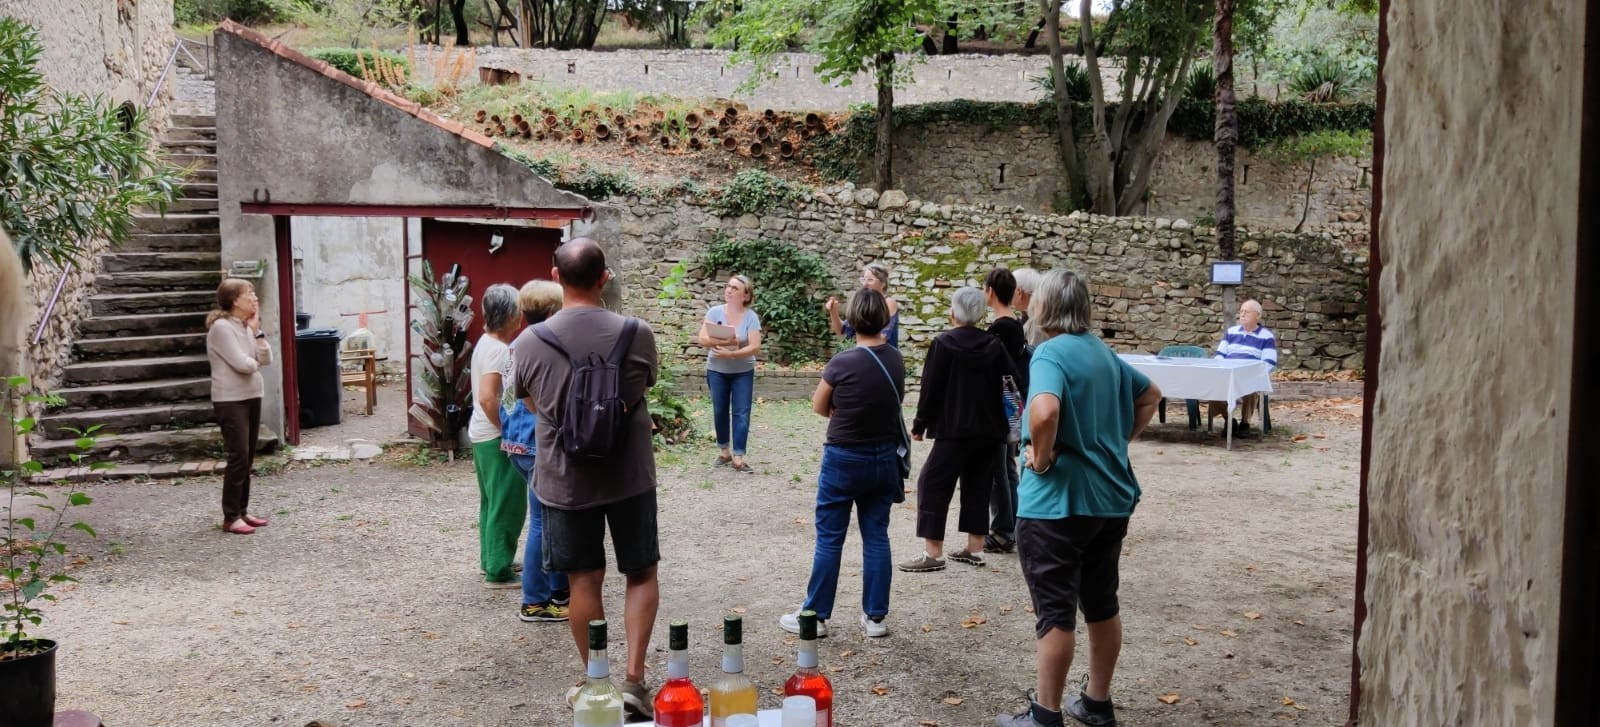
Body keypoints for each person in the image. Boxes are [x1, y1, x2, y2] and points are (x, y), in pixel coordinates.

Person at [997, 270, 1162, 727]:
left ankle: (1045, 715)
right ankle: (1096, 702)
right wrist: (1115, 442)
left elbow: (1045, 410)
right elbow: (1150, 394)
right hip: (1110, 500)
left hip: (1057, 505)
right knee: (1102, 602)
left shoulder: (1049, 353)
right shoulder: (1102, 353)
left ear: (1044, 308)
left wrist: (1043, 459)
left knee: (1055, 613)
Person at [511, 238, 660, 720]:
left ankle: (598, 680)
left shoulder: (529, 342)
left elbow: (530, 403)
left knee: (582, 580)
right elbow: (640, 389)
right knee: (640, 572)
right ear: (605, 277)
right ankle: (636, 682)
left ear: (556, 277)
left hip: (564, 478)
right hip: (629, 474)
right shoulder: (637, 333)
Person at [778, 288, 902, 640]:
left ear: (853, 319)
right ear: (883, 318)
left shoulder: (842, 362)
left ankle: (815, 616)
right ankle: (875, 617)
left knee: (830, 538)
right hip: (883, 456)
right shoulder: (895, 359)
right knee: (876, 535)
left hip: (845, 457)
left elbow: (819, 406)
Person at [901, 287, 1016, 573]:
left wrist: (919, 425)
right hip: (989, 431)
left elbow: (931, 388)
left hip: (953, 429)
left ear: (953, 312)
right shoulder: (994, 344)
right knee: (978, 485)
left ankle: (933, 553)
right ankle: (975, 549)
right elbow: (1013, 380)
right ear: (980, 314)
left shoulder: (943, 343)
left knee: (932, 483)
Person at [502, 280, 570, 622]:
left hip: (516, 441)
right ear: (555, 312)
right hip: (535, 442)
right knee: (543, 522)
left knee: (548, 519)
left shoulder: (518, 344)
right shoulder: (547, 346)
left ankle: (559, 592)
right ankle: (535, 600)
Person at [469, 284, 528, 589]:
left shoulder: (485, 343)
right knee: (507, 502)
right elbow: (489, 398)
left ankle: (492, 558)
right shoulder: (499, 350)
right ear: (510, 316)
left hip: (481, 434)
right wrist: (507, 432)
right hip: (493, 435)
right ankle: (497, 569)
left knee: (491, 501)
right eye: (518, 310)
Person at [204, 279, 273, 535]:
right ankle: (230, 516)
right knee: (238, 456)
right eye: (249, 294)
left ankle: (242, 511)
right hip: (230, 399)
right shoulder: (221, 328)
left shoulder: (245, 327)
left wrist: (257, 333)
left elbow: (266, 357)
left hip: (252, 394)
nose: (255, 298)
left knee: (248, 457)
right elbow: (243, 364)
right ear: (235, 300)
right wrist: (255, 361)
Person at [984, 268, 1029, 555]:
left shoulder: (1000, 328)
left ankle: (1001, 530)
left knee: (996, 469)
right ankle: (1011, 526)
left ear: (989, 291)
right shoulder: (1016, 323)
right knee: (1007, 468)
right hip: (1010, 404)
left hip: (998, 406)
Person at [697, 274, 762, 473]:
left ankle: (739, 456)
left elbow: (755, 346)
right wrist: (726, 343)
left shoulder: (751, 317)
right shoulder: (714, 312)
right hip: (716, 370)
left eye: (735, 288)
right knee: (719, 410)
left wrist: (731, 354)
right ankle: (724, 451)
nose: (729, 290)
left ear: (745, 295)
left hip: (742, 371)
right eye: (728, 286)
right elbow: (702, 339)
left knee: (741, 412)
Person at [1209, 298, 1278, 434]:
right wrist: (1222, 369)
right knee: (1212, 387)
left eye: (1247, 312)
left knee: (1252, 387)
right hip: (1228, 373)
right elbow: (1219, 355)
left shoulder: (1266, 336)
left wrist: (1253, 374)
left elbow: (1269, 363)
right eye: (1241, 311)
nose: (1242, 314)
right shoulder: (1231, 332)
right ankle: (1229, 420)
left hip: (1250, 375)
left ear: (1257, 315)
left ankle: (1245, 423)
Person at [825, 262, 900, 348]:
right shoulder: (864, 302)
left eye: (870, 280)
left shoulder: (888, 302)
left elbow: (883, 337)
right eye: (863, 279)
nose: (865, 284)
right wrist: (833, 311)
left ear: (883, 284)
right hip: (864, 353)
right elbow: (841, 330)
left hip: (883, 355)